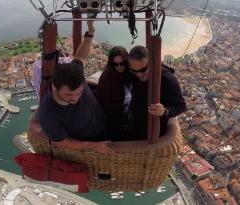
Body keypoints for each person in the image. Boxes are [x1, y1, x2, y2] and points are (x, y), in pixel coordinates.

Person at [35, 21, 113, 154]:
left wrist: (90, 33)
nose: (76, 98)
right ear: (55, 87)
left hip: (104, 124)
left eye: (80, 92)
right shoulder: (49, 113)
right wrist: (92, 146)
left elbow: (80, 57)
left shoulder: (75, 72)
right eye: (69, 95)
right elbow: (60, 141)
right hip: (89, 142)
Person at [128, 45, 186, 140]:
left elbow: (181, 106)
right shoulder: (134, 74)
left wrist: (165, 111)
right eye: (134, 71)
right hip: (137, 122)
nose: (139, 75)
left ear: (152, 63)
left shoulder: (167, 80)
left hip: (154, 130)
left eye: (143, 70)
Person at [96, 46, 132, 140]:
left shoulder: (129, 73)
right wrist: (122, 108)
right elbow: (102, 102)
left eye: (122, 63)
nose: (119, 67)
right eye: (116, 64)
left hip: (128, 113)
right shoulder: (107, 78)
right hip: (114, 119)